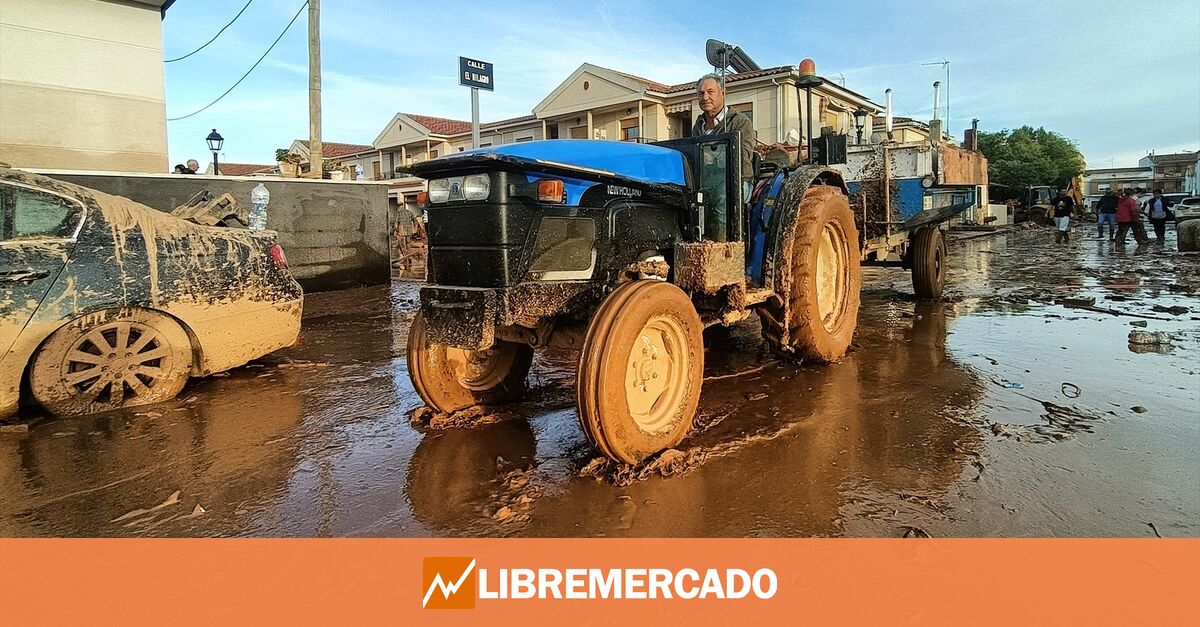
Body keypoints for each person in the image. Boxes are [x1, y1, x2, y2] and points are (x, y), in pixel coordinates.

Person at [693, 73, 756, 241]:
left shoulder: (740, 122)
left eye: (710, 92)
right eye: (701, 93)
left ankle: (723, 252)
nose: (705, 97)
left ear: (722, 93)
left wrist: (710, 158)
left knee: (722, 203)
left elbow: (742, 157)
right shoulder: (698, 125)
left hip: (736, 181)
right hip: (706, 182)